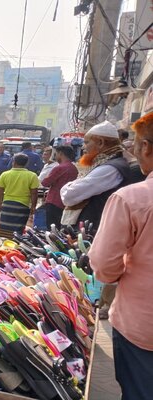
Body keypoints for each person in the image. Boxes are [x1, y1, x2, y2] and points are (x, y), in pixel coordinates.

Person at [88, 113, 153, 400]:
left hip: (143, 326)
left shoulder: (132, 199)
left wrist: (112, 278)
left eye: (136, 145)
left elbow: (103, 265)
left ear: (147, 147)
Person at [60, 121, 136, 231]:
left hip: (96, 230)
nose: (83, 147)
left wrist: (67, 187)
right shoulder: (104, 164)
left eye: (86, 142)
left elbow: (69, 196)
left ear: (100, 143)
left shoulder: (111, 168)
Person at [0, 153, 40, 238]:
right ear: (26, 163)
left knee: (4, 227)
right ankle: (15, 243)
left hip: (7, 204)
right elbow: (34, 193)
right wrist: (33, 206)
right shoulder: (32, 175)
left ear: (13, 162)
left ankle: (3, 244)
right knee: (19, 228)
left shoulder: (5, 174)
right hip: (23, 206)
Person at [40, 145, 78, 230]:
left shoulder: (60, 167)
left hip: (54, 201)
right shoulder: (73, 168)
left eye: (56, 154)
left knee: (51, 229)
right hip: (64, 202)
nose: (55, 156)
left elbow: (45, 182)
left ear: (60, 154)